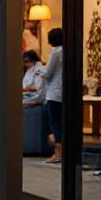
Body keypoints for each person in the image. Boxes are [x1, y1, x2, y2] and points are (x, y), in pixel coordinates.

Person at [38, 27, 63, 164]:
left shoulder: (55, 52)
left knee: (55, 123)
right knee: (62, 122)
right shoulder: (66, 50)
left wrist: (39, 71)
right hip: (63, 91)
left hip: (54, 92)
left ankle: (57, 153)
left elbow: (48, 73)